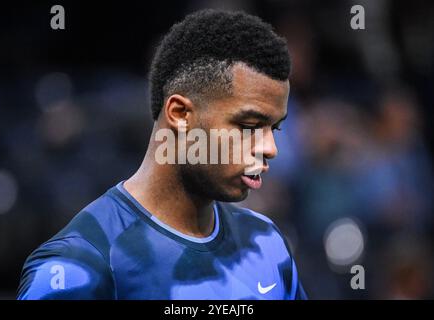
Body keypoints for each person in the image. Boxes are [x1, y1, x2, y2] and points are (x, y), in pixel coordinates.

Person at [17, 9, 306, 300]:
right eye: (248, 126)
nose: (270, 148)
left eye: (275, 128)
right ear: (180, 115)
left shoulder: (268, 243)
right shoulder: (81, 266)